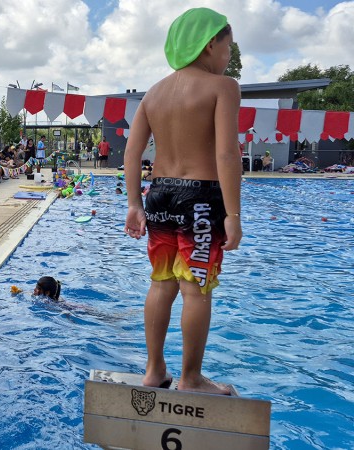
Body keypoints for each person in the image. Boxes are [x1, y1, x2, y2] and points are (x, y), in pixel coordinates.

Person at [123, 7, 241, 395]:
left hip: (159, 195)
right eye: (228, 47)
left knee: (161, 284)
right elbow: (227, 154)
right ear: (209, 45)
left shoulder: (154, 93)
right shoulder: (223, 87)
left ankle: (154, 370)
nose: (229, 56)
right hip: (201, 200)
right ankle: (190, 378)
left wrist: (134, 204)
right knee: (196, 289)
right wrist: (233, 213)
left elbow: (131, 153)